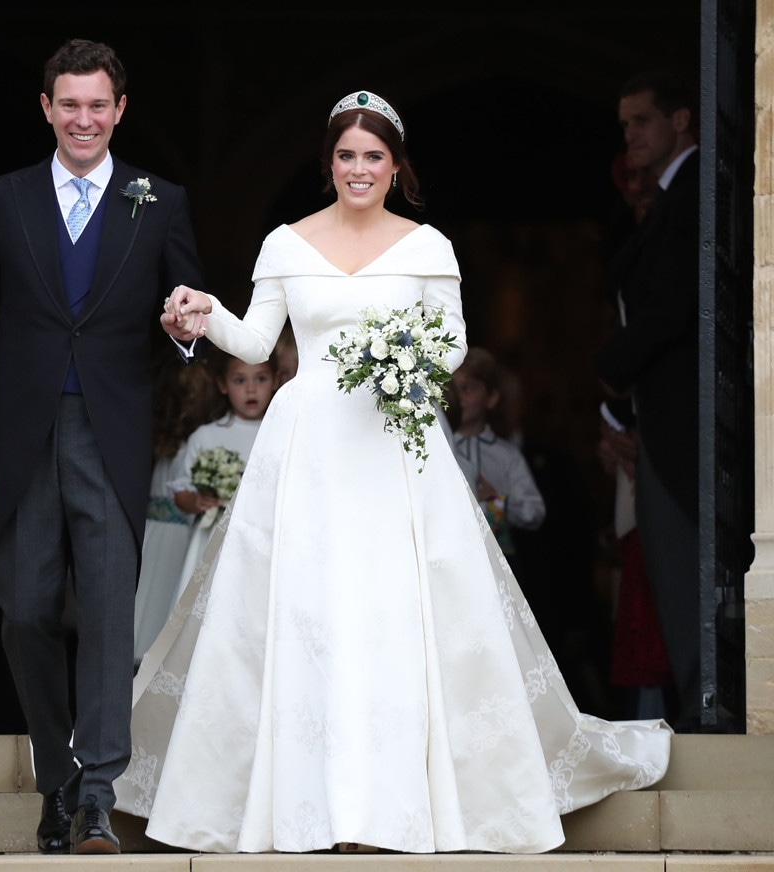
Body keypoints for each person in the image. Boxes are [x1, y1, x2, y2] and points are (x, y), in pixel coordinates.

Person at [117, 90, 672, 854]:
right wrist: (201, 313)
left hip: (391, 444)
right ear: (328, 163)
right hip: (306, 445)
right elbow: (254, 344)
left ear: (395, 165)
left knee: (391, 615)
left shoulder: (426, 246)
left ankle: (389, 805)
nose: (359, 168)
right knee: (303, 616)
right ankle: (301, 805)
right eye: (346, 155)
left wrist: (400, 361)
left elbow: (448, 348)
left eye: (373, 155)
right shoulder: (286, 242)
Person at [0, 38, 206, 854]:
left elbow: (187, 316)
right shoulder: (3, 199)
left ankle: (96, 794)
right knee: (23, 611)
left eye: (99, 105)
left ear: (119, 110)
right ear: (48, 108)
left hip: (112, 433)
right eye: (70, 104)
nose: (84, 118)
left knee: (105, 614)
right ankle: (56, 773)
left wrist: (185, 330)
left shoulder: (158, 200)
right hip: (20, 436)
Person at [594, 69, 701, 731]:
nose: (629, 135)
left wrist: (610, 374)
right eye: (624, 123)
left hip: (687, 419)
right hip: (658, 415)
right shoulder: (670, 196)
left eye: (642, 121)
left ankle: (704, 720)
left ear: (680, 120)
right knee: (667, 580)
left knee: (687, 574)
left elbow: (671, 306)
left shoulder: (692, 195)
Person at [169, 349, 276, 610]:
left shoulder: (280, 434)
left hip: (264, 539)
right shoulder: (206, 436)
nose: (251, 389)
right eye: (239, 380)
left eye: (260, 379)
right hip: (212, 539)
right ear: (222, 385)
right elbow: (180, 492)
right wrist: (197, 502)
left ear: (275, 381)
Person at [132, 352, 218, 665]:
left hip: (159, 533)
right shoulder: (187, 445)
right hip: (172, 536)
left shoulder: (171, 443)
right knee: (157, 603)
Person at [447, 347, 546, 579]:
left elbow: (535, 511)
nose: (459, 398)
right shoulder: (440, 450)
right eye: (452, 390)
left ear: (491, 398)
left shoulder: (506, 455)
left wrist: (497, 503)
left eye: (467, 388)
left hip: (498, 563)